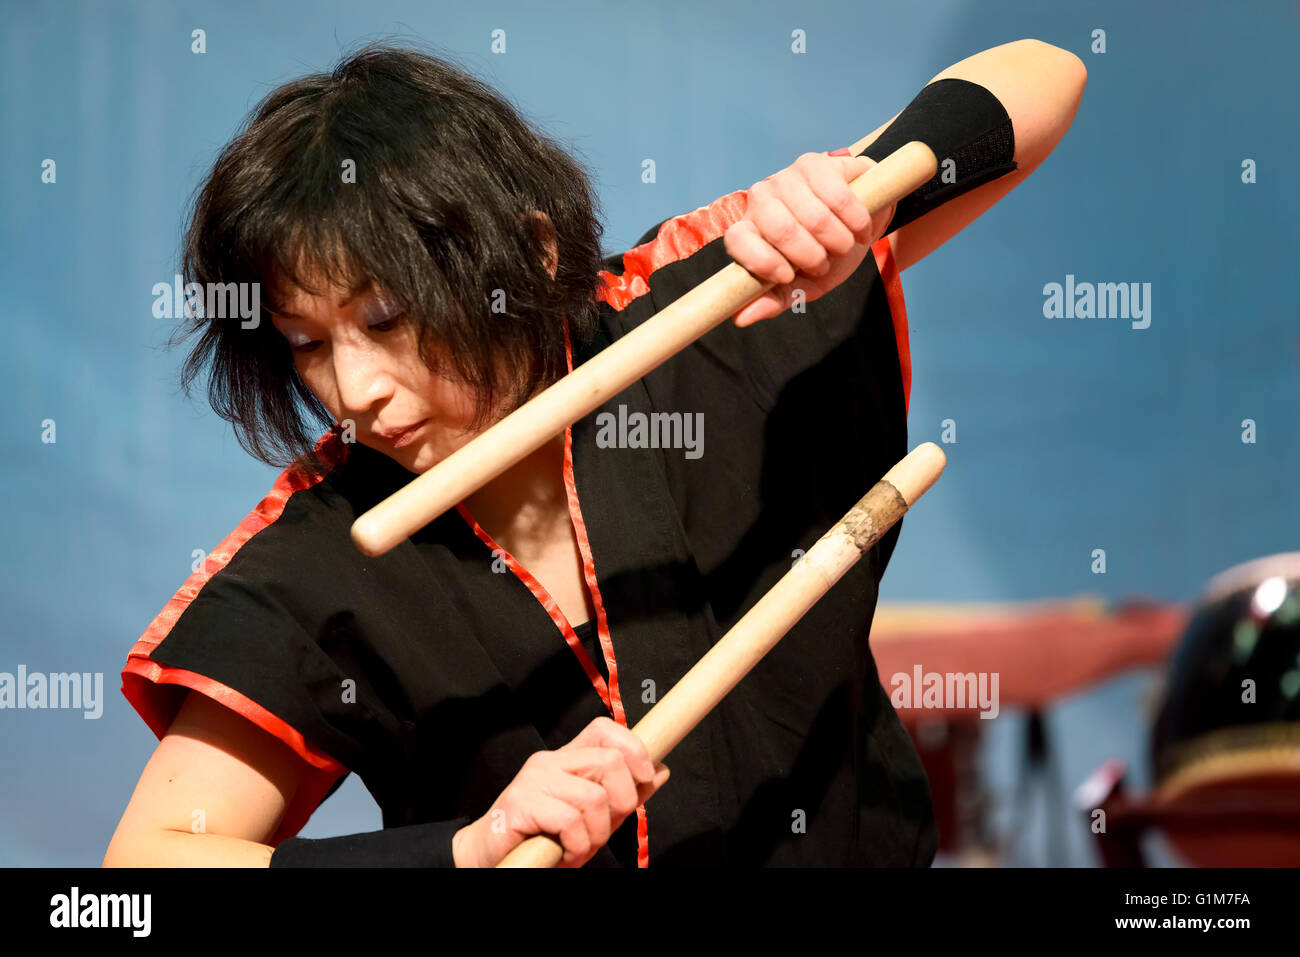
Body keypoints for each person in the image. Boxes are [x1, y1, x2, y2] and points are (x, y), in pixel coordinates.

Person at [104, 38, 1085, 867]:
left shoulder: (712, 302)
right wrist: (464, 848)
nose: (354, 390)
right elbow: (129, 888)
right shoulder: (319, 552)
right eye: (308, 342)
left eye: (387, 315)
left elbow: (1042, 76)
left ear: (528, 254)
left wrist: (853, 203)